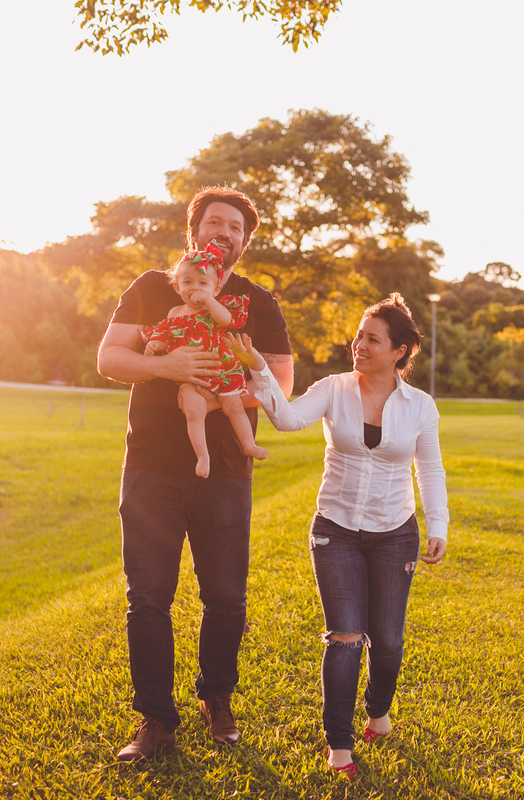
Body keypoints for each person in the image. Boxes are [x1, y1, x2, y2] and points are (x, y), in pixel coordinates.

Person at [97, 186, 294, 762]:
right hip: (151, 469)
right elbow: (109, 359)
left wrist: (211, 403)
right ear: (194, 230)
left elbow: (279, 385)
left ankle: (218, 700)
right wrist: (167, 366)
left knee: (227, 598)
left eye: (235, 228)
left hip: (226, 471)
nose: (223, 233)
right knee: (148, 598)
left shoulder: (258, 302)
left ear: (243, 243)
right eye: (214, 222)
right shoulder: (152, 288)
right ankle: (155, 720)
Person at [227, 293, 448, 780]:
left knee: (387, 641)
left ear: (399, 352)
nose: (359, 344)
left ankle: (378, 712)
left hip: (395, 532)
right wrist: (259, 368)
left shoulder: (420, 406)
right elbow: (285, 419)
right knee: (345, 637)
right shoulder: (334, 388)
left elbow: (429, 467)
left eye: (372, 338)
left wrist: (439, 524)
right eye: (359, 335)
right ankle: (340, 746)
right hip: (336, 529)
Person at [141, 241, 268, 477]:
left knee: (235, 408)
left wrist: (209, 301)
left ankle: (249, 444)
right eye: (187, 282)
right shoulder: (175, 313)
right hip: (190, 376)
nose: (195, 288)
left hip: (222, 371)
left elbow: (225, 320)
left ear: (216, 288)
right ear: (177, 287)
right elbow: (167, 335)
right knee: (193, 409)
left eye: (202, 283)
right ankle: (203, 456)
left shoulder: (214, 308)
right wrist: (156, 344)